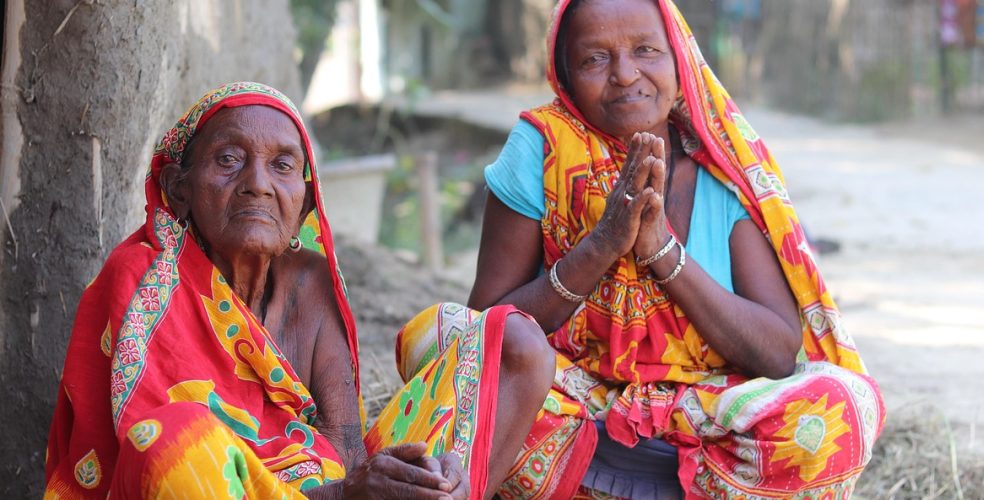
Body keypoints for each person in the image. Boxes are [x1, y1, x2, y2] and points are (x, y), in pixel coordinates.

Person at [43, 82, 554, 499]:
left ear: (305, 203)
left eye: (283, 166)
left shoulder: (310, 282)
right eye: (228, 159)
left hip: (330, 488)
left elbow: (347, 449)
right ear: (180, 189)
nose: (258, 183)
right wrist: (340, 494)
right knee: (172, 440)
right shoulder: (144, 278)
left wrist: (427, 472)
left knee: (516, 346)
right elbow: (145, 453)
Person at [464, 0, 886, 497]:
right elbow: (485, 330)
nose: (625, 74)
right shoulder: (542, 148)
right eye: (595, 59)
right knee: (442, 338)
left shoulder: (722, 168)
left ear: (680, 58)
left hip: (705, 424)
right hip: (569, 412)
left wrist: (662, 251)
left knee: (841, 406)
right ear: (566, 78)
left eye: (646, 50)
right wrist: (601, 246)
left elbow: (776, 353)